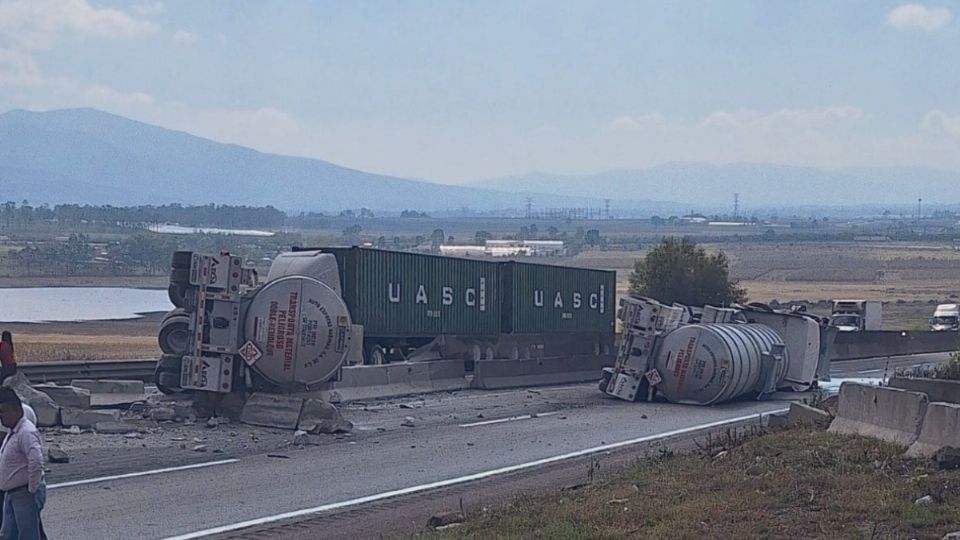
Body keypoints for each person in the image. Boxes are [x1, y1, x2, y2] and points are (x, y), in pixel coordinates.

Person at [0, 388, 45, 540]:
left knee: (28, 535)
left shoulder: (26, 432)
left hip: (23, 492)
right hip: (11, 493)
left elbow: (36, 461)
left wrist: (31, 490)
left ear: (16, 410)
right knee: (7, 535)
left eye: (3, 411)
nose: (1, 416)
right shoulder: (13, 432)